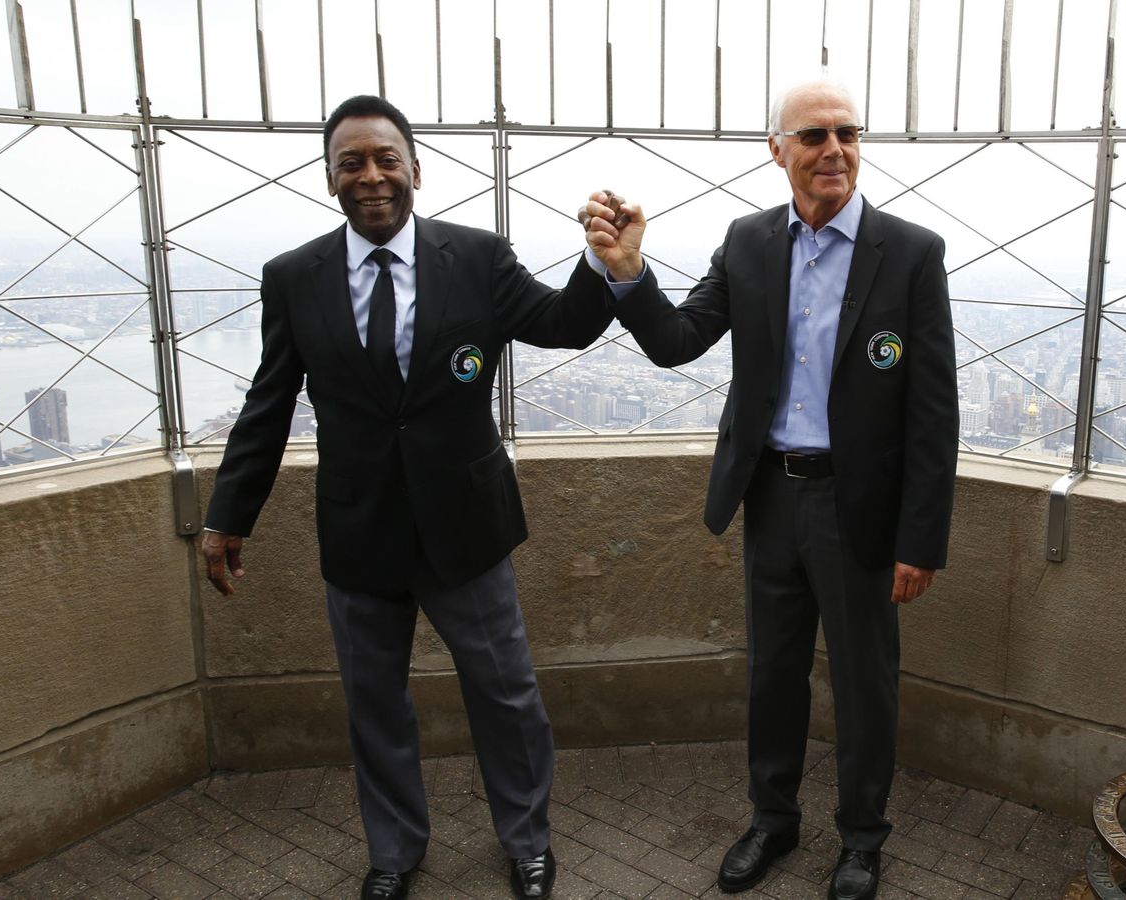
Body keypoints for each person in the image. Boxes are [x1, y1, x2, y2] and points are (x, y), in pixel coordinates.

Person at [200, 94, 611, 900]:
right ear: (330, 179)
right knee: (373, 705)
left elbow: (563, 323)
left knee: (507, 695)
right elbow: (269, 402)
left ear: (415, 169)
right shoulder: (293, 278)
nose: (372, 175)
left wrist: (599, 262)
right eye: (351, 162)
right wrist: (226, 515)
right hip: (361, 531)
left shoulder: (479, 256)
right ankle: (394, 853)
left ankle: (527, 840)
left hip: (466, 526)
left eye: (386, 158)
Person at [578, 78, 958, 900]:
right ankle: (773, 821)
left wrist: (919, 540)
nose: (834, 150)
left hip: (860, 509)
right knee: (773, 674)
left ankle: (862, 840)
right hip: (772, 500)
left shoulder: (911, 253)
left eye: (847, 133)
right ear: (777, 149)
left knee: (866, 684)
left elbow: (935, 415)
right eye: (813, 136)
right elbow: (678, 340)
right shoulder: (749, 242)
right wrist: (627, 269)